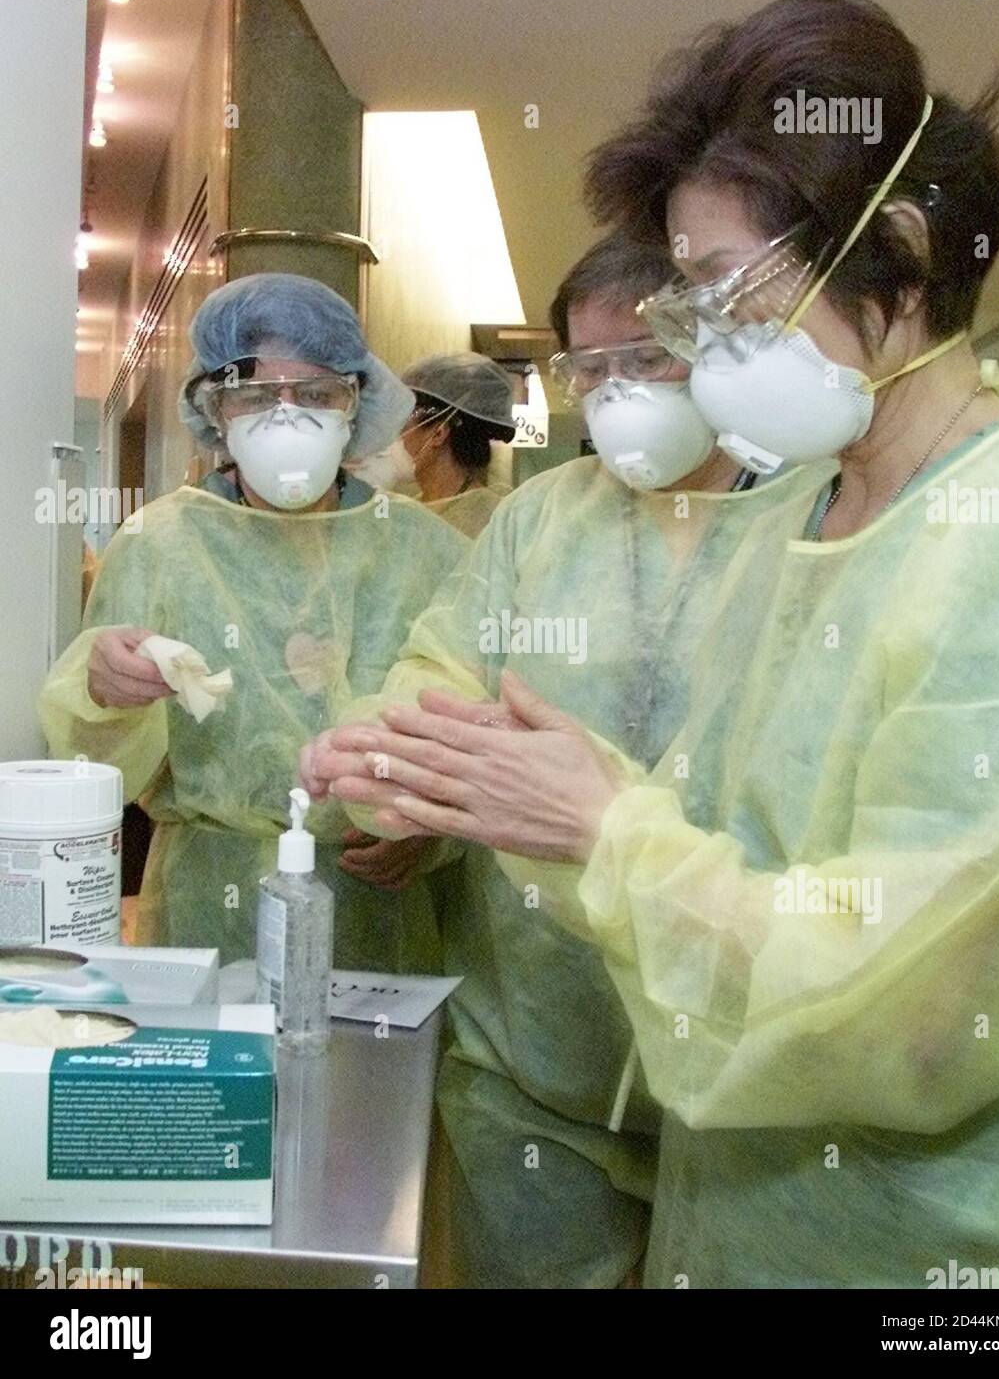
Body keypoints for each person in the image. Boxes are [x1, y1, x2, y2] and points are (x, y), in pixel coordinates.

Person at [312, 0, 999, 1289]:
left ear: (890, 245)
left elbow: (899, 1007)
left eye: (718, 297)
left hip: (915, 1245)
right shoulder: (823, 513)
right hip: (724, 1210)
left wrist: (604, 828)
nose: (693, 357)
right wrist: (437, 779)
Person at [301, 234, 831, 1287]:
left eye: (647, 362)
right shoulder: (544, 519)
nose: (615, 395)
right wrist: (387, 759)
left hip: (746, 1063)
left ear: (721, 344)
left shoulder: (823, 516)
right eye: (588, 371)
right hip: (536, 1053)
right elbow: (442, 668)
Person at [38, 273, 467, 969]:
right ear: (215, 408)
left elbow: (478, 724)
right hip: (207, 900)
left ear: (357, 404)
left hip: (376, 903)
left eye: (317, 394)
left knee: (366, 1078)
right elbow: (96, 766)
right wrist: (104, 693)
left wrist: (435, 833)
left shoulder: (427, 551)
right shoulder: (160, 542)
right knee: (216, 1078)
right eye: (257, 395)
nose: (287, 415)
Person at [350, 353, 518, 538]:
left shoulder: (492, 520)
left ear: (438, 433)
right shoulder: (407, 512)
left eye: (401, 426)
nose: (391, 439)